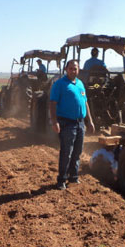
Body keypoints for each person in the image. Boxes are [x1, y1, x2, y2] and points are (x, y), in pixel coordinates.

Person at [49, 60, 95, 190]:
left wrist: (89, 121)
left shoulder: (80, 84)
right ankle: (61, 180)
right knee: (66, 152)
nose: (73, 71)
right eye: (70, 68)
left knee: (77, 151)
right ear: (66, 69)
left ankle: (74, 176)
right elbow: (52, 103)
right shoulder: (59, 84)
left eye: (75, 69)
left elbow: (85, 103)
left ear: (78, 70)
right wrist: (54, 121)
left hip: (80, 123)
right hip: (67, 123)